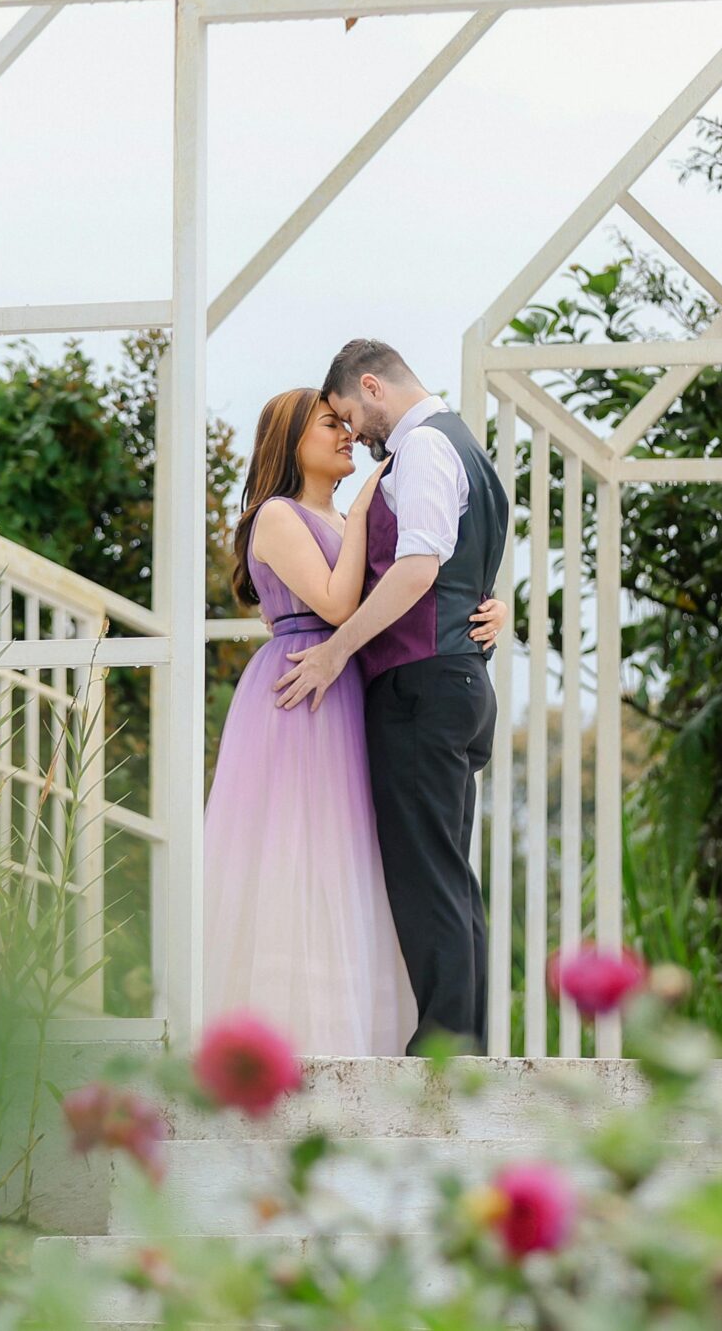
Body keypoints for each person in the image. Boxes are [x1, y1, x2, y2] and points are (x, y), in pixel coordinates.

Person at [202, 387, 507, 1055]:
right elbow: (342, 603)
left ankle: (363, 1034)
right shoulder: (278, 516)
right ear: (289, 440)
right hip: (302, 687)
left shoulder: (343, 519)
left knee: (356, 862)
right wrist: (371, 498)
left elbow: (411, 580)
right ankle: (290, 1039)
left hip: (346, 686)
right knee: (301, 858)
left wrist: (490, 608)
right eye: (329, 424)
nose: (346, 434)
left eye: (346, 423)